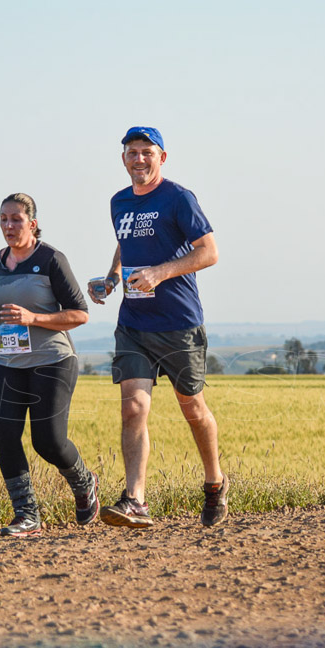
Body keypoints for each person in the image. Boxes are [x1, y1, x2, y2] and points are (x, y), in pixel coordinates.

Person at [88, 126, 227, 528]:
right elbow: (124, 242)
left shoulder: (179, 198)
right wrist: (112, 278)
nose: (139, 159)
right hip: (133, 322)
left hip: (178, 322)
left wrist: (160, 273)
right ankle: (135, 500)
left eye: (147, 152)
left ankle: (215, 483)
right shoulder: (119, 202)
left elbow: (209, 252)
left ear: (161, 158)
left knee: (193, 409)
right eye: (132, 152)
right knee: (132, 408)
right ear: (123, 159)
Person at [0, 192, 99, 537]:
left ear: (33, 223)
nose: (8, 226)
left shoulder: (52, 259)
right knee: (4, 435)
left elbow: (80, 314)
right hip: (5, 360)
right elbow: (0, 308)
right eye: (3, 219)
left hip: (52, 361)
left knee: (48, 441)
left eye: (16, 219)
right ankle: (26, 514)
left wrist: (34, 317)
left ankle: (85, 483)